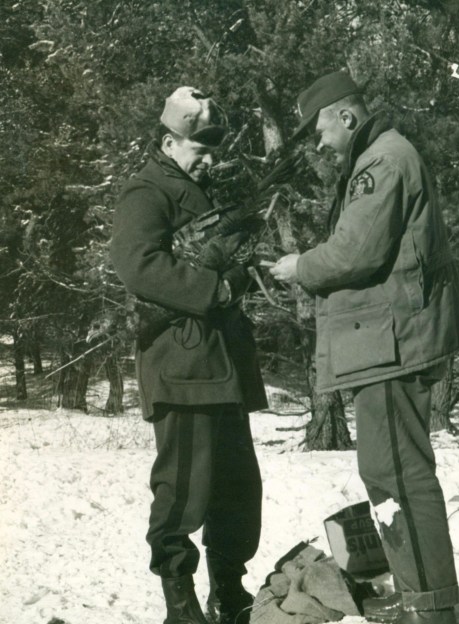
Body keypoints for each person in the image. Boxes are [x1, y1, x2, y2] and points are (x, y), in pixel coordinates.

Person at [269, 70, 459, 624]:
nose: (318, 143)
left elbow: (355, 252)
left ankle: (430, 609)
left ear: (346, 116)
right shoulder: (378, 157)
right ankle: (419, 595)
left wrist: (300, 266)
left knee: (398, 473)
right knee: (390, 470)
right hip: (386, 340)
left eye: (319, 130)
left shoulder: (383, 161)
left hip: (393, 342)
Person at [110, 86, 267, 624]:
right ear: (168, 142)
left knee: (237, 488)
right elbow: (136, 263)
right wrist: (213, 289)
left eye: (213, 151)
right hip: (182, 366)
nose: (210, 161)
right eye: (200, 150)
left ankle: (229, 591)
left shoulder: (198, 189)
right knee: (183, 490)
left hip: (220, 364)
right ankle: (180, 606)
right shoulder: (146, 191)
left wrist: (240, 272)